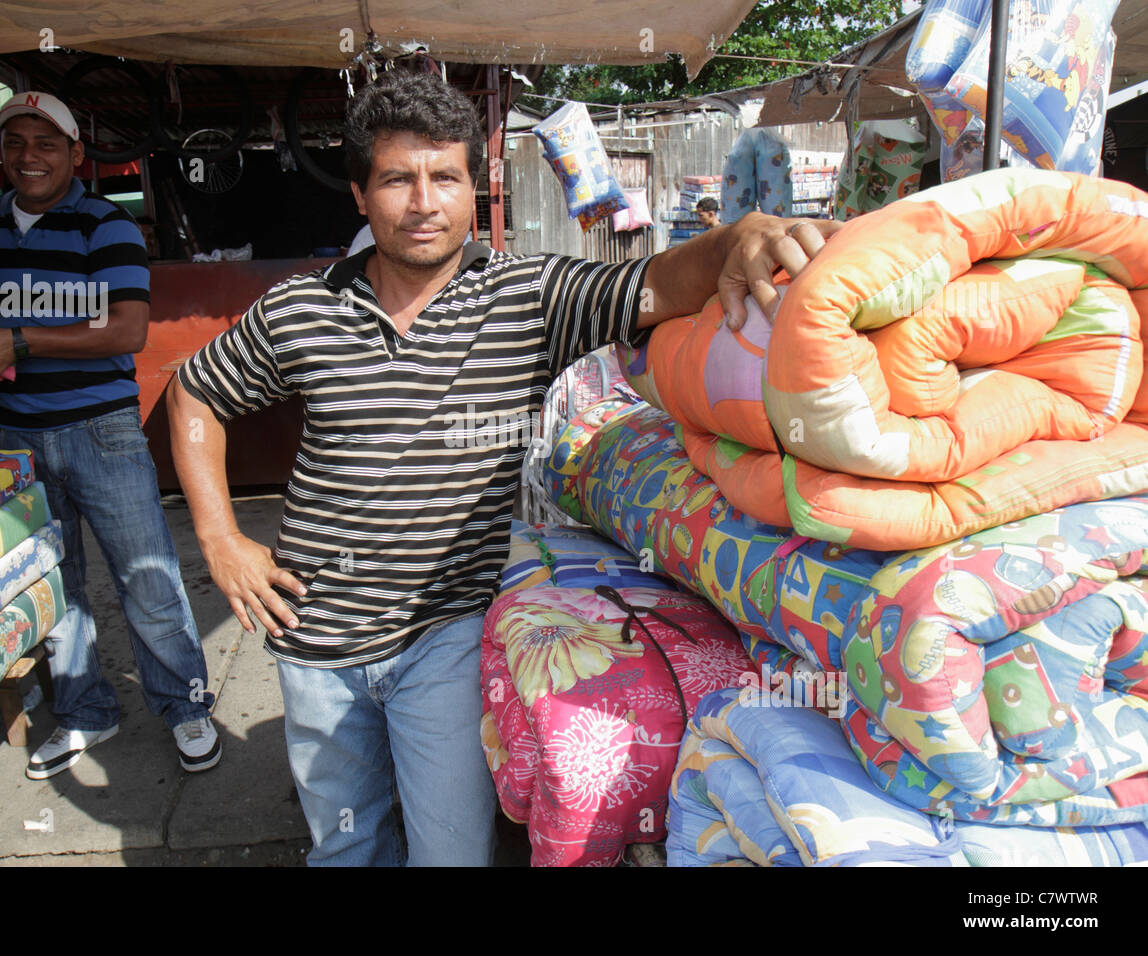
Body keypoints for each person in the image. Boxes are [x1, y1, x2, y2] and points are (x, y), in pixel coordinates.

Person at [167, 71, 837, 866]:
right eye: (397, 178)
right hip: (314, 635)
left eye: (444, 176)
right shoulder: (300, 310)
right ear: (359, 194)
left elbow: (657, 285)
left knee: (451, 856)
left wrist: (740, 237)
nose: (423, 201)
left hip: (444, 635)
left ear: (472, 193)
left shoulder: (528, 297)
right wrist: (219, 537)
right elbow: (192, 395)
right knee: (347, 851)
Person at [0, 91, 221, 780]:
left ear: (75, 153)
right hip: (13, 435)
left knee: (149, 576)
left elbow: (128, 331)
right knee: (52, 582)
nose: (29, 156)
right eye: (16, 143)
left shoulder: (106, 225)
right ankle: (84, 712)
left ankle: (186, 706)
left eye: (46, 143)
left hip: (100, 430)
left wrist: (17, 343)